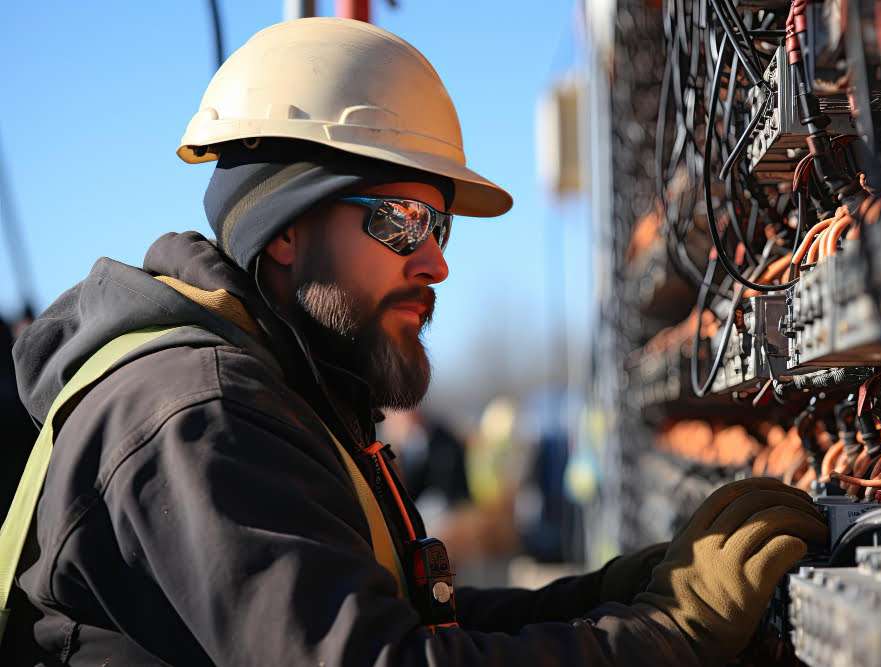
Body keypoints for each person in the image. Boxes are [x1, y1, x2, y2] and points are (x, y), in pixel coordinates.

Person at [6, 18, 825, 666]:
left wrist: (614, 592)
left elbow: (415, 621)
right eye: (400, 220)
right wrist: (672, 632)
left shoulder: (296, 393)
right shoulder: (196, 418)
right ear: (285, 229)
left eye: (437, 225)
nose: (435, 259)